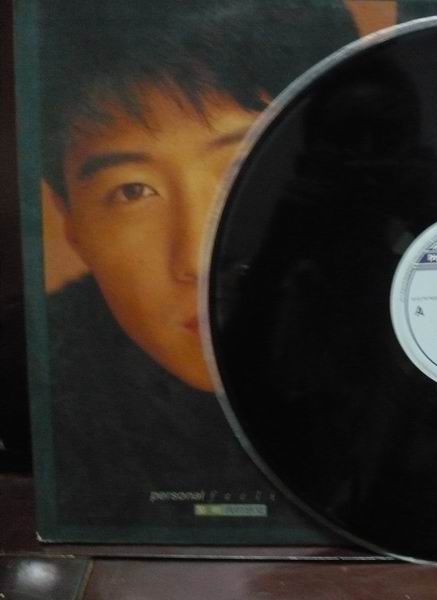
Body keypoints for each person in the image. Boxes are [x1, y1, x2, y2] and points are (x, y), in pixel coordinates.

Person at [38, 0, 359, 533]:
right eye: (132, 191)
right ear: (71, 221)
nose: (197, 257)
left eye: (245, 170)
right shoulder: (39, 391)